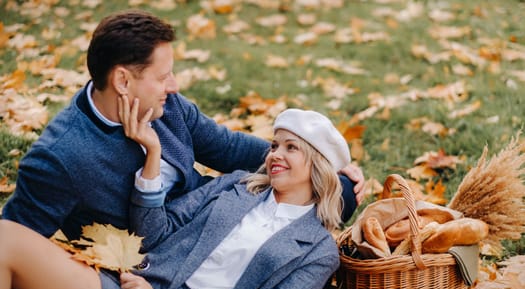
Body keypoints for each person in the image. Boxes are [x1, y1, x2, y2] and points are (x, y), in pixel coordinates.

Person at [1, 9, 364, 246]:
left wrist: (314, 163)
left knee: (342, 188)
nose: (173, 85)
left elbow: (225, 147)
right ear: (123, 81)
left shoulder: (165, 104)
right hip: (159, 256)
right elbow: (14, 239)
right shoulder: (60, 158)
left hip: (213, 212)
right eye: (162, 76)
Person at [0, 108, 350, 289]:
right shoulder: (237, 186)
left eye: (291, 148)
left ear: (318, 166)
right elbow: (155, 234)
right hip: (131, 287)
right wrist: (153, 156)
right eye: (274, 145)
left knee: (10, 239)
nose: (275, 154)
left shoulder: (318, 249)